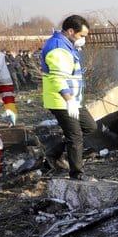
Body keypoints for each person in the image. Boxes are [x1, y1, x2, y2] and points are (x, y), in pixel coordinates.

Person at [41, 15, 97, 181]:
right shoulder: (58, 48)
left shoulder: (68, 46)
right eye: (82, 36)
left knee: (90, 127)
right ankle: (76, 174)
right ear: (71, 31)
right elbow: (57, 78)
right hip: (62, 100)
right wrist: (69, 100)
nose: (83, 40)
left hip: (73, 99)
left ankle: (52, 154)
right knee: (75, 136)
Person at [0, 49, 17, 126]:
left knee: (8, 99)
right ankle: (12, 119)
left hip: (3, 80)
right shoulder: (0, 55)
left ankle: (12, 118)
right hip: (5, 80)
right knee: (8, 99)